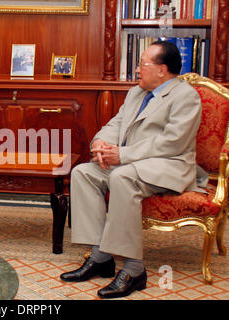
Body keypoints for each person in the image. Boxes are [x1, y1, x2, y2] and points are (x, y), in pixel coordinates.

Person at [60, 41, 206, 299]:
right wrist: (100, 143)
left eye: (142, 64)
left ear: (162, 70)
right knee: (84, 173)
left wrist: (122, 155)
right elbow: (115, 124)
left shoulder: (186, 96)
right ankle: (101, 257)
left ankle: (134, 269)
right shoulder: (136, 92)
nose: (137, 69)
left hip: (169, 165)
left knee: (122, 176)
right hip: (132, 162)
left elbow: (173, 142)